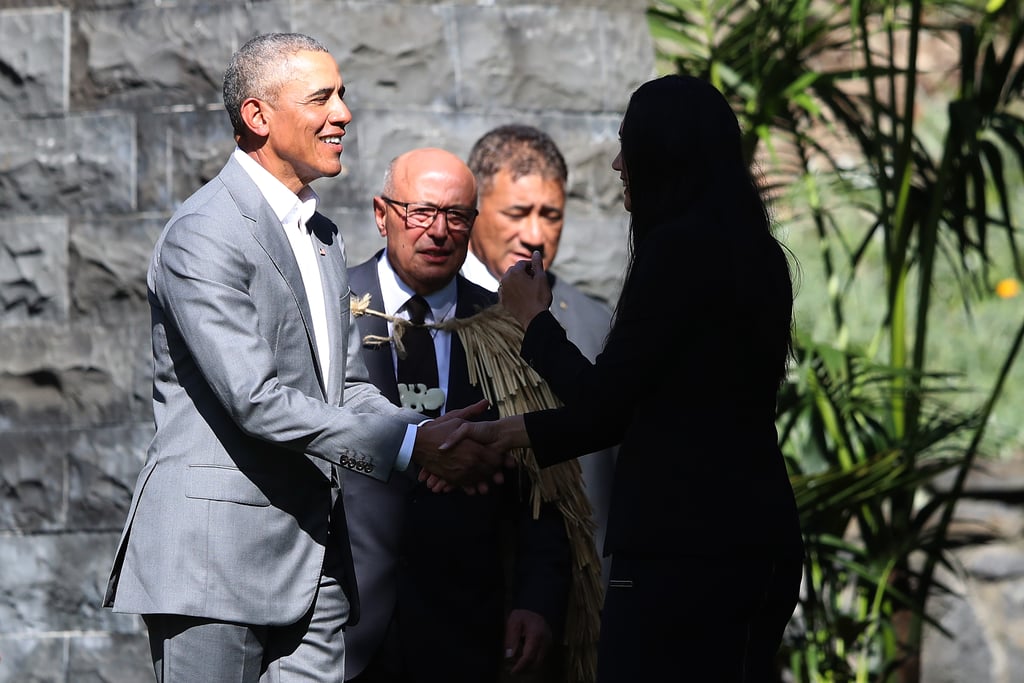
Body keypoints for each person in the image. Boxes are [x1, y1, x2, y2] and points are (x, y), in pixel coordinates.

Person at [102, 33, 502, 683]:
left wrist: (422, 431)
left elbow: (342, 387)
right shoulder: (203, 233)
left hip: (317, 567)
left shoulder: (323, 237)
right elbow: (255, 400)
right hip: (215, 569)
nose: (344, 112)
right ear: (258, 116)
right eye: (322, 97)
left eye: (342, 94)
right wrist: (410, 449)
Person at [444, 75, 805, 682]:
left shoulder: (676, 254)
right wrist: (508, 434)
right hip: (759, 544)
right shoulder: (758, 254)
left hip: (682, 551)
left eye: (626, 144)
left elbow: (603, 408)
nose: (616, 164)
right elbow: (658, 405)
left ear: (662, 153)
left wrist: (534, 319)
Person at [342, 147, 570, 683]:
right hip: (341, 622)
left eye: (456, 216)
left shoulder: (506, 325)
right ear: (381, 214)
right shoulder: (332, 307)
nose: (439, 231)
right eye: (420, 212)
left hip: (467, 624)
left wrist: (537, 601)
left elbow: (546, 481)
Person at [462, 124, 617, 582]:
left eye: (550, 214)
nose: (534, 233)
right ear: (474, 208)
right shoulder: (433, 307)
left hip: (581, 582)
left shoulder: (595, 321)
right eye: (517, 211)